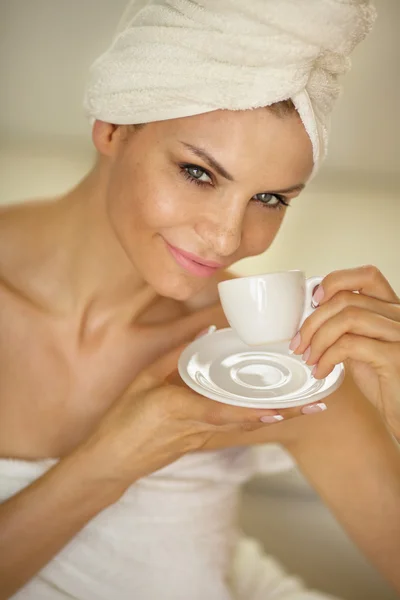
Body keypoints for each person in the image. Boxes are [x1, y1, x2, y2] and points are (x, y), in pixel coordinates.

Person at [0, 1, 399, 599]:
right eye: (199, 173)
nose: (228, 238)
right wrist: (112, 460)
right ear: (112, 126)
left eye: (269, 199)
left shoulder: (275, 360)